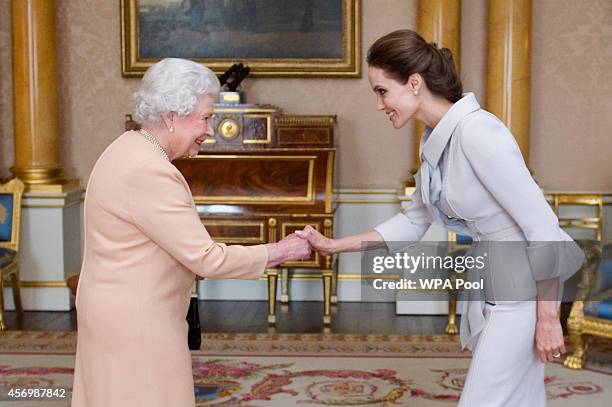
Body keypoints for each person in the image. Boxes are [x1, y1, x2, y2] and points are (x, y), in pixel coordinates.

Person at [295, 30, 584, 406]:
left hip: (520, 292)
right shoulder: (435, 138)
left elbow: (542, 225)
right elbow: (414, 220)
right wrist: (336, 246)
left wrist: (547, 317)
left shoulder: (478, 132)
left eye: (382, 91)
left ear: (414, 83)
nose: (379, 105)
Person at [71, 58, 310, 407]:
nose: (210, 130)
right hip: (138, 324)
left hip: (113, 313)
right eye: (205, 117)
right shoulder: (149, 171)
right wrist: (281, 251)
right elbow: (206, 259)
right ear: (171, 116)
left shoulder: (125, 147)